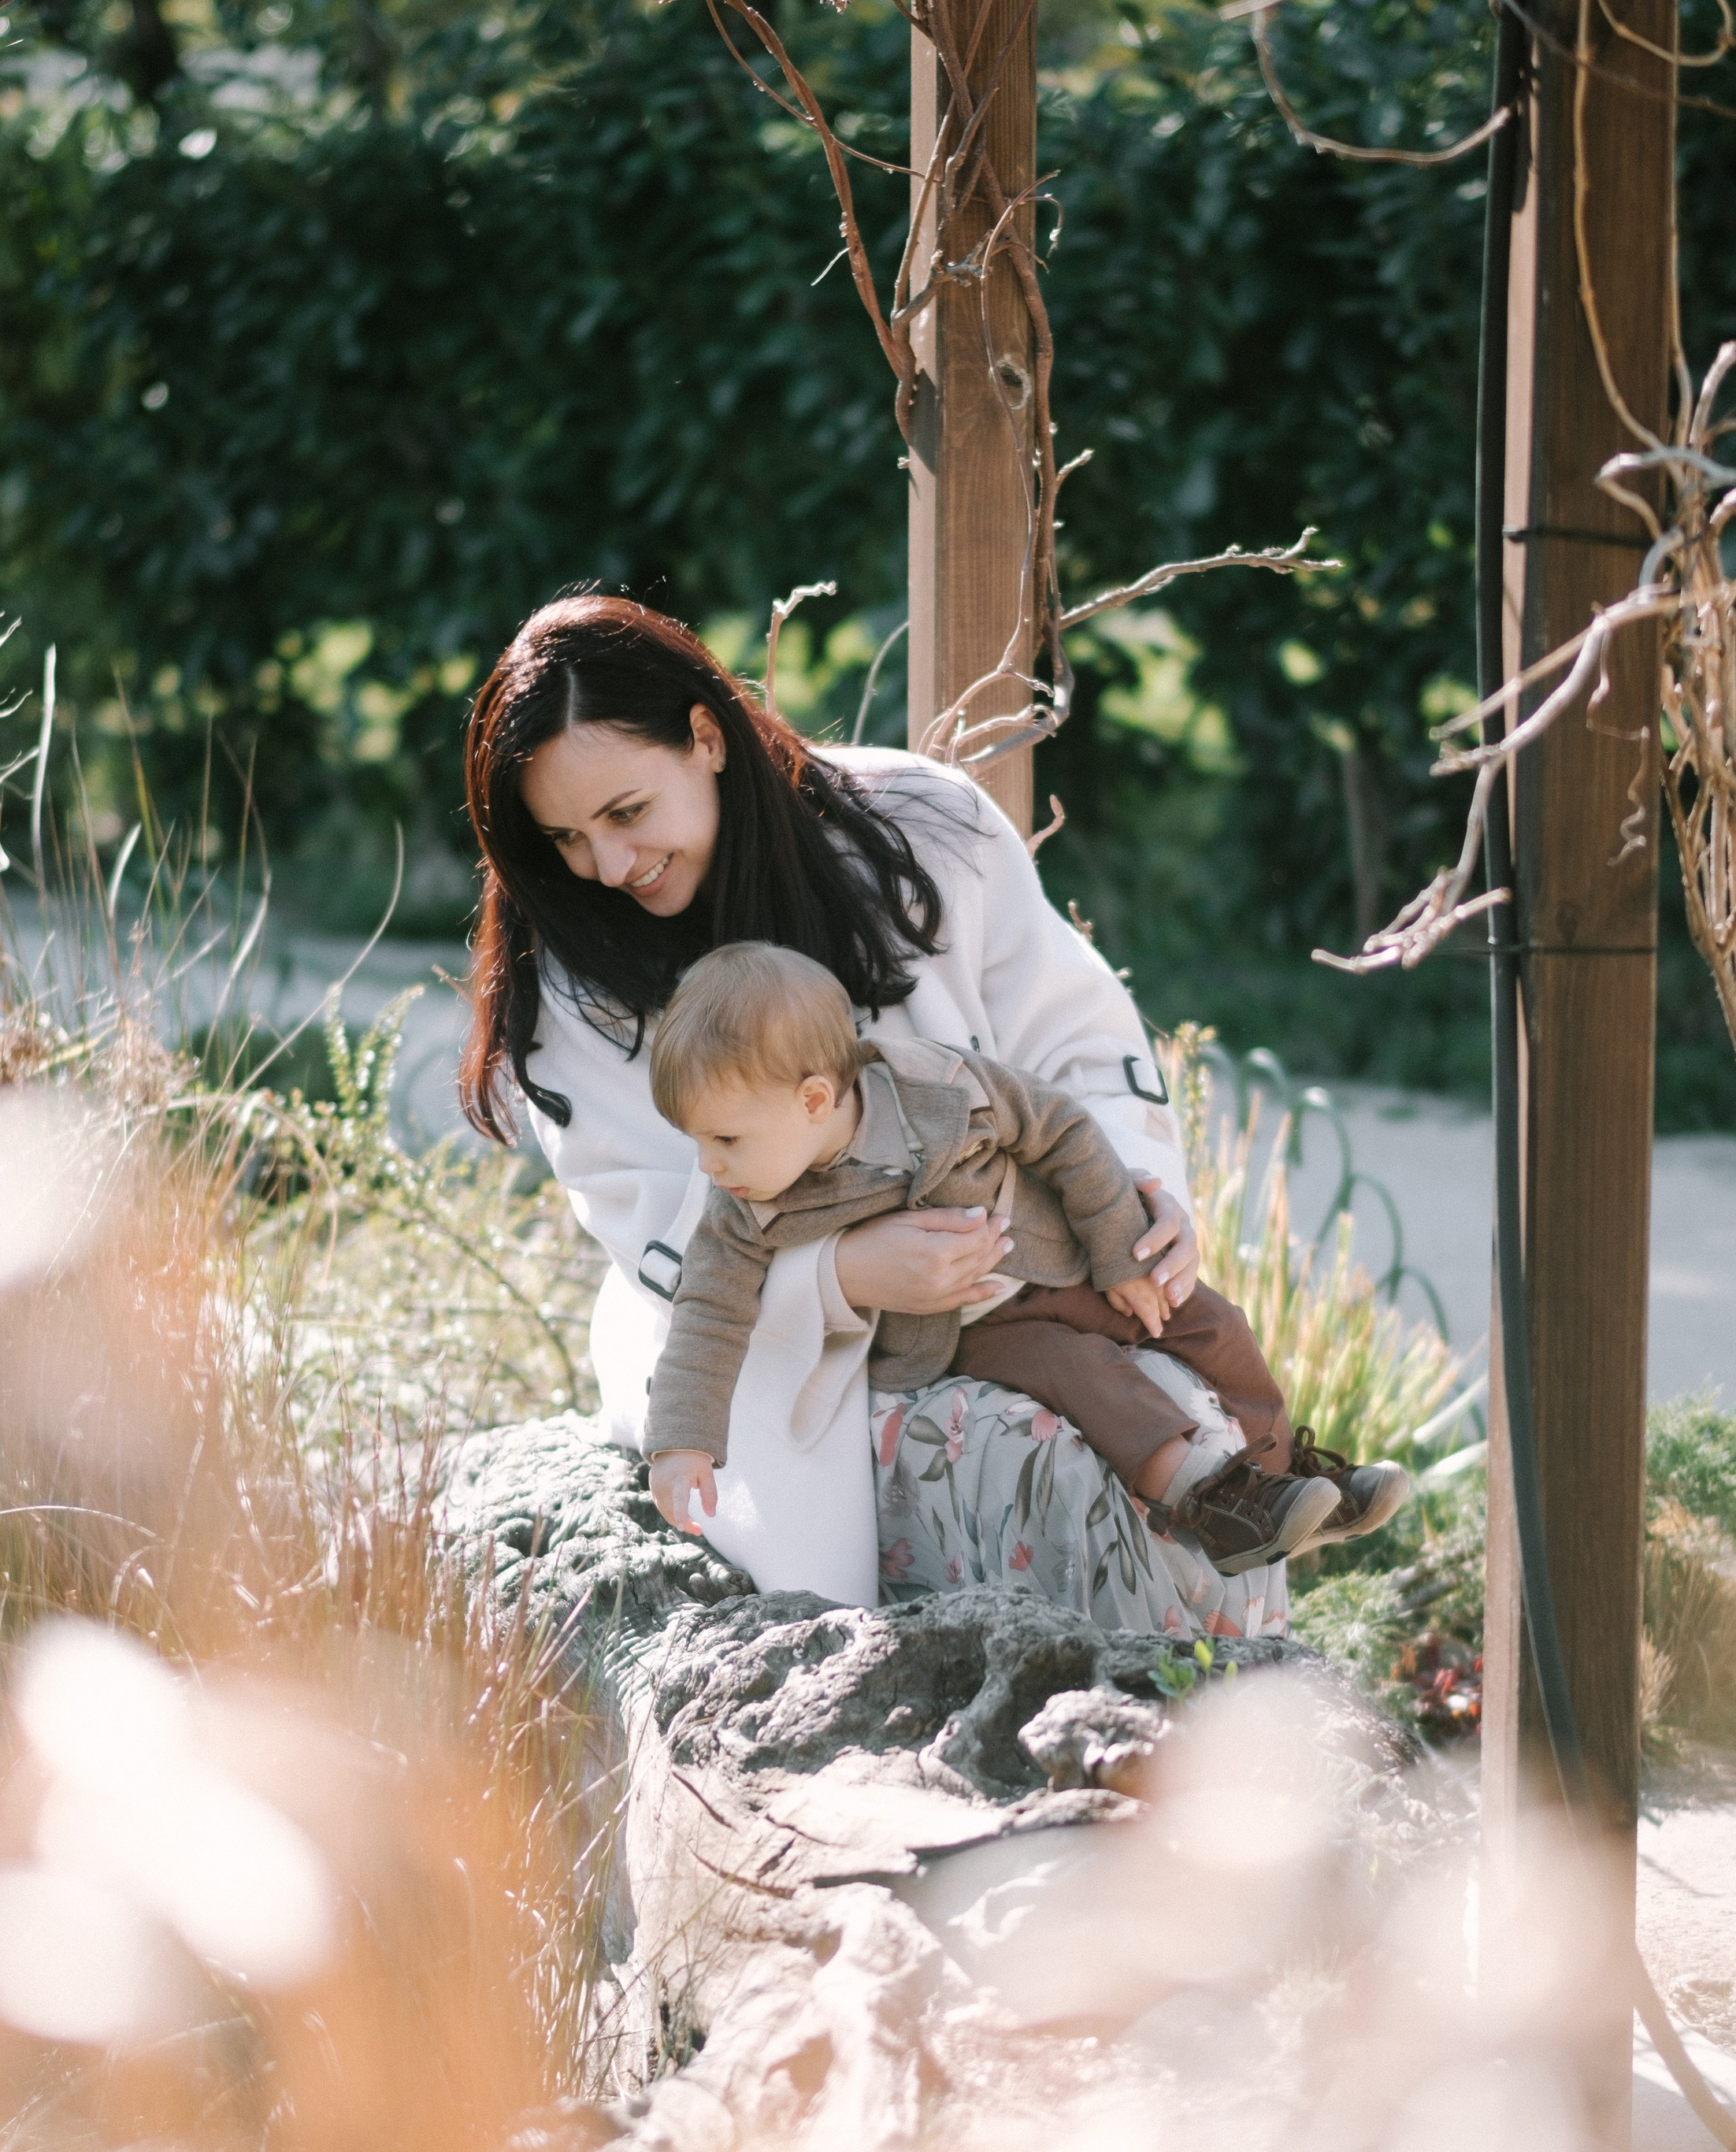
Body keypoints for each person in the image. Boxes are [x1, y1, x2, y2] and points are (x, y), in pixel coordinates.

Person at [457, 592, 1258, 1612]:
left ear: (706, 737)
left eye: (626, 814)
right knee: (1030, 1463)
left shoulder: (922, 825)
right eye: (566, 837)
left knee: (1196, 1411)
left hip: (1021, 1265)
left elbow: (1070, 1034)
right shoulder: (571, 967)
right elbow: (652, 1217)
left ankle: (1232, 1715)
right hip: (765, 1342)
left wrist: (1139, 1195)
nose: (609, 868)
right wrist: (839, 1274)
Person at [636, 942, 1406, 1571]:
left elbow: (1061, 1129)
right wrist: (682, 1439)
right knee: (1082, 1373)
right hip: (968, 1326)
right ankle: (1212, 1507)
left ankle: (1288, 1483)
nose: (709, 1166)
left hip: (1064, 1258)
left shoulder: (940, 1088)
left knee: (1213, 1325)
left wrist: (1117, 1253)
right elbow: (708, 1307)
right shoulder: (746, 1205)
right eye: (699, 1141)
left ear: (812, 1100)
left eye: (725, 1139)